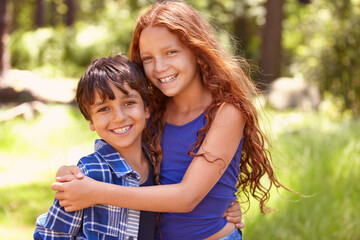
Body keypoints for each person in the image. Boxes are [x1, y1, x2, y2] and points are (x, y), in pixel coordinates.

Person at [52, 1, 292, 239]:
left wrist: (96, 192)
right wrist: (72, 175)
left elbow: (188, 197)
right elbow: (119, 162)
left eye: (171, 52)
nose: (160, 67)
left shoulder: (226, 112)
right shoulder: (152, 111)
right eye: (148, 58)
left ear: (197, 51)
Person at [34, 54, 156, 239]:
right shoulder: (86, 175)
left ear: (146, 109)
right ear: (91, 122)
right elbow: (51, 234)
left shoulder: (158, 162)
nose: (119, 117)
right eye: (104, 109)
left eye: (129, 103)